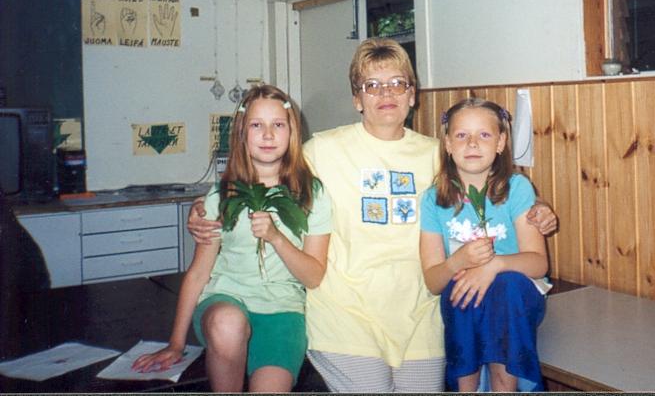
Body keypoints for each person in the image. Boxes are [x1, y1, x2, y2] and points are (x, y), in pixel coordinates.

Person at [187, 38, 557, 392]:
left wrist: (538, 208)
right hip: (344, 319)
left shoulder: (438, 154)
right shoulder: (322, 150)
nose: (386, 93)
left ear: (412, 95)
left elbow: (492, 184)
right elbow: (266, 171)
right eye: (372, 85)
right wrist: (204, 205)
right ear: (357, 99)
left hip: (419, 320)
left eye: (397, 83)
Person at [132, 85, 331, 392]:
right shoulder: (220, 196)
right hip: (225, 302)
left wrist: (277, 238)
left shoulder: (312, 194)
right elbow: (199, 272)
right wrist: (176, 343)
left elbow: (313, 276)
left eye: (278, 125)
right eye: (256, 125)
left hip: (282, 312)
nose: (268, 135)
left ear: (292, 133)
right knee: (228, 322)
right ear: (241, 133)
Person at [420, 97, 548, 392]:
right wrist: (458, 262)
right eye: (462, 135)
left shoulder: (516, 188)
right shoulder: (433, 199)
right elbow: (433, 282)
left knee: (506, 286)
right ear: (448, 144)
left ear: (501, 142)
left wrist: (494, 266)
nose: (473, 144)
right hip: (466, 302)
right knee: (459, 286)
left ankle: (506, 387)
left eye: (484, 135)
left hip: (517, 298)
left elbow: (539, 263)